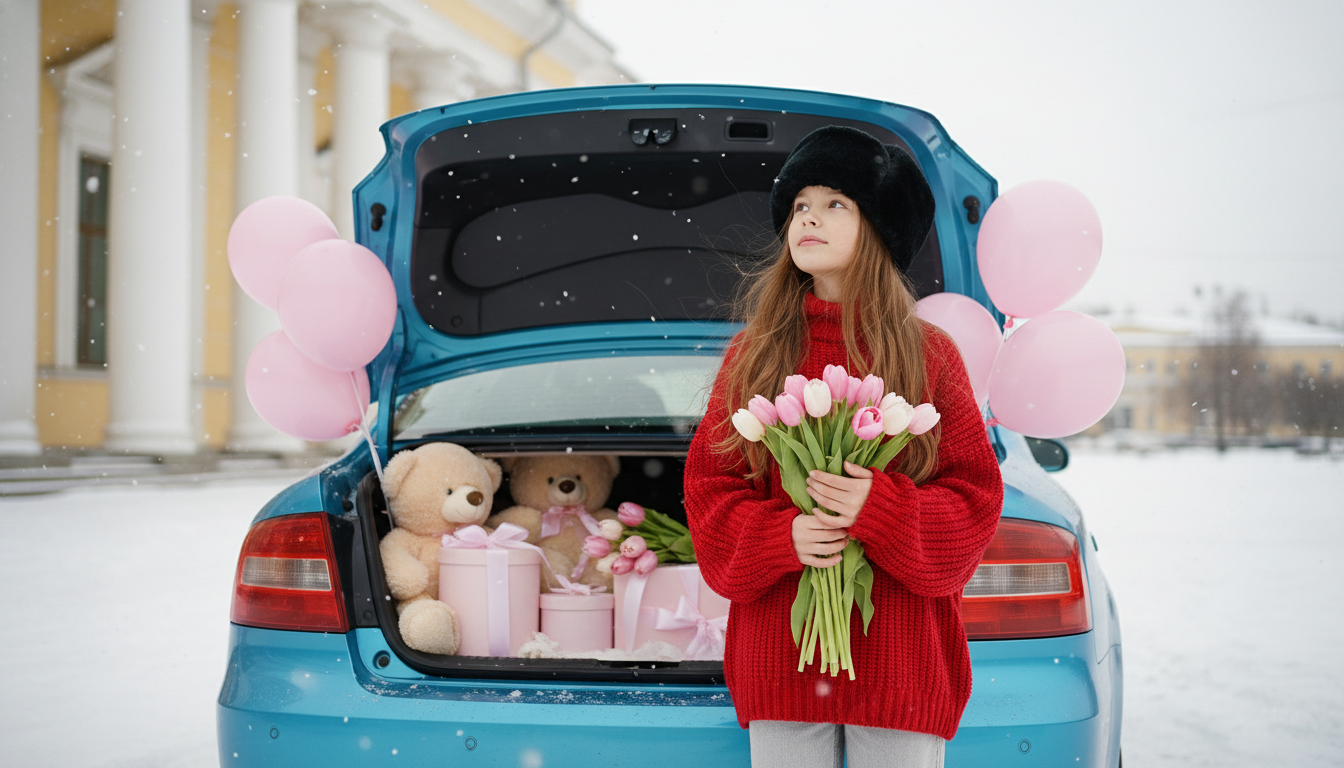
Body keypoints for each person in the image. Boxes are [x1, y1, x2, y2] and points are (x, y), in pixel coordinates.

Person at [683, 125, 1005, 768]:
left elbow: (974, 503)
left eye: (836, 204)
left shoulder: (928, 355)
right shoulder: (756, 354)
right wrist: (783, 537)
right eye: (800, 205)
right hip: (783, 663)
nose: (809, 218)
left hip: (900, 663)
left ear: (881, 228)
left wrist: (880, 509)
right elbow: (710, 492)